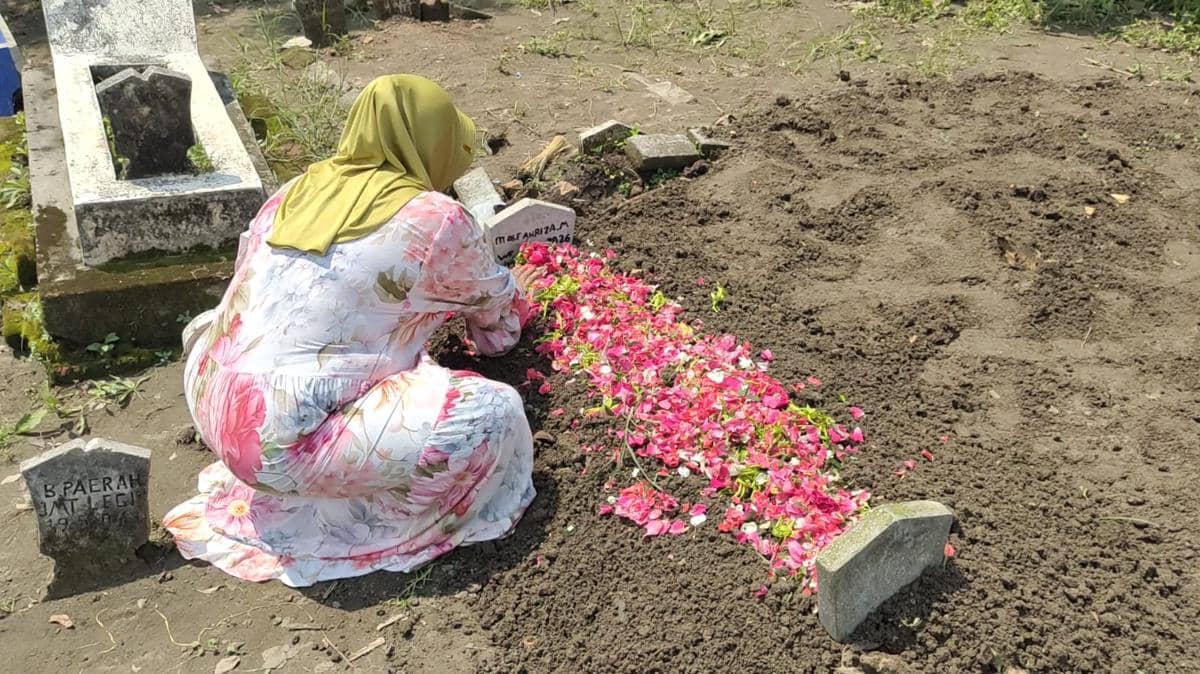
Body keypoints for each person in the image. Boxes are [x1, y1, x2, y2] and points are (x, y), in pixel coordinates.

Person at [164, 75, 540, 586]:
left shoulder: (296, 191)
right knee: (492, 415)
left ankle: (309, 474)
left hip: (215, 395)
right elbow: (499, 331)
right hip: (279, 446)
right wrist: (516, 296)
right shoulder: (436, 219)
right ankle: (368, 522)